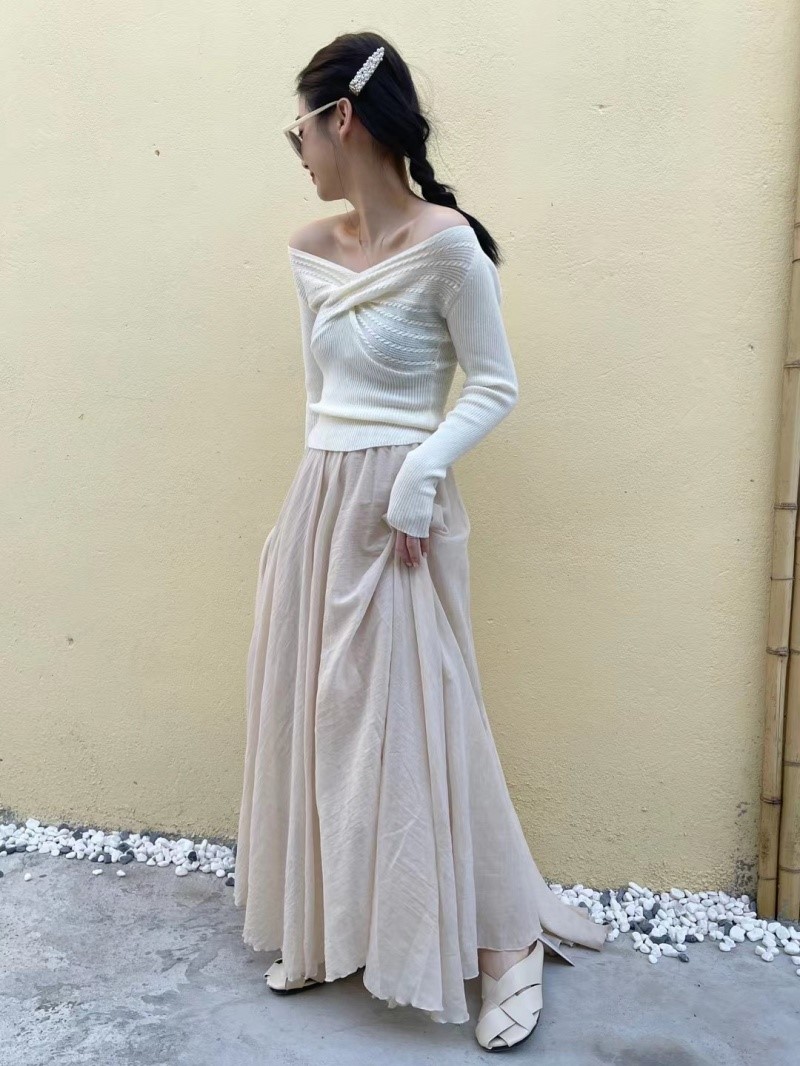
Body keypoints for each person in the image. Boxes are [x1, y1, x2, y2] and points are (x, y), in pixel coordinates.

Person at [233, 31, 609, 1051]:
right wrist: (303, 512)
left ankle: (504, 942)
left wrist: (416, 476)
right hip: (322, 505)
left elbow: (493, 384)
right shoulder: (309, 250)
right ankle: (327, 926)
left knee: (417, 712)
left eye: (299, 134)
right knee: (320, 714)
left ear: (340, 119)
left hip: (401, 514)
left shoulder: (449, 245)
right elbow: (320, 396)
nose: (300, 156)